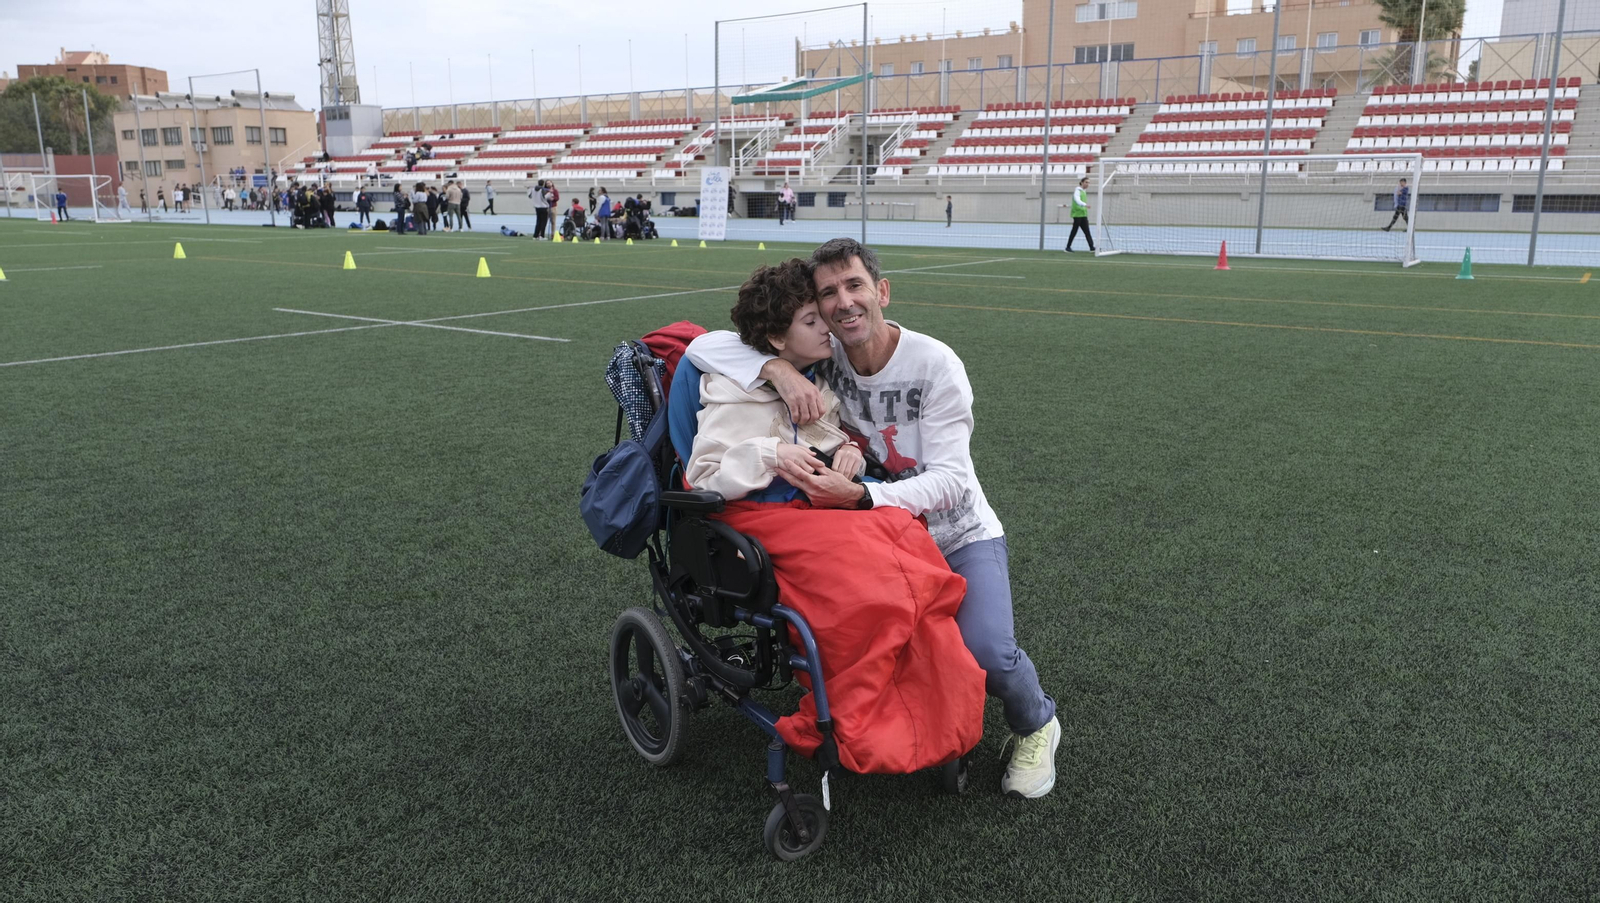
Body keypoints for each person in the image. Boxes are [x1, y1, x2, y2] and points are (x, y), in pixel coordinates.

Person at [686, 238, 1062, 798]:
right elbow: (710, 344)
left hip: (954, 532)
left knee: (986, 652)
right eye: (827, 294)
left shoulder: (934, 364)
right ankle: (897, 723)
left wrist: (862, 496)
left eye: (854, 285)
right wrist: (776, 370)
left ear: (881, 291)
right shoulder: (819, 359)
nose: (842, 303)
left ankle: (1037, 724)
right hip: (875, 535)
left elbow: (951, 481)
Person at [1064, 176, 1095, 253]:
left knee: (1087, 231)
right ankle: (1068, 247)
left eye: (1089, 183)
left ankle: (1091, 247)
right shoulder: (1077, 191)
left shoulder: (1084, 191)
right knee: (1074, 231)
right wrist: (1085, 205)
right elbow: (1077, 200)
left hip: (1083, 214)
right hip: (1077, 215)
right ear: (1081, 182)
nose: (1088, 184)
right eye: (1086, 182)